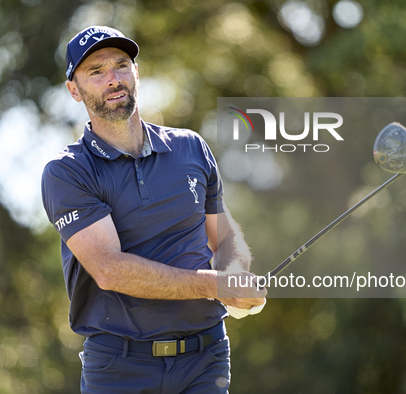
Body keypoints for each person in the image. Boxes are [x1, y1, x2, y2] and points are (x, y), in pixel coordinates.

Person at [41, 25, 267, 393]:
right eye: (96, 72)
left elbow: (223, 234)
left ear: (136, 73)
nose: (113, 79)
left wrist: (236, 274)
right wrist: (214, 285)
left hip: (205, 358)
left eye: (121, 65)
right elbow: (110, 270)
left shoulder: (191, 148)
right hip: (120, 367)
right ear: (74, 90)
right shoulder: (68, 171)